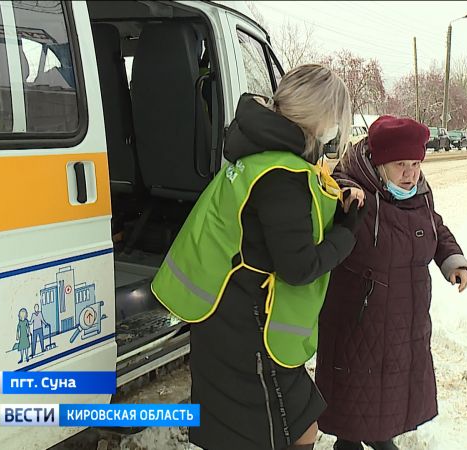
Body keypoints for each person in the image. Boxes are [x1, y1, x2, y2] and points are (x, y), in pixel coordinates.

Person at [151, 64, 366, 450]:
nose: (335, 130)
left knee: (238, 430)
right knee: (296, 427)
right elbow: (299, 266)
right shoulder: (282, 176)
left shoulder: (257, 154)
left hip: (224, 311)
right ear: (319, 118)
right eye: (335, 120)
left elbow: (282, 217)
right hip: (251, 324)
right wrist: (347, 232)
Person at [315, 116, 467, 450]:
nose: (410, 173)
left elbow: (435, 226)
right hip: (361, 316)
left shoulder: (419, 192)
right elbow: (328, 210)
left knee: (390, 387)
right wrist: (343, 200)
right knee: (360, 387)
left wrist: (452, 259)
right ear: (378, 161)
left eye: (416, 163)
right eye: (401, 164)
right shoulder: (354, 190)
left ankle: (373, 438)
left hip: (406, 312)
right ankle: (355, 442)